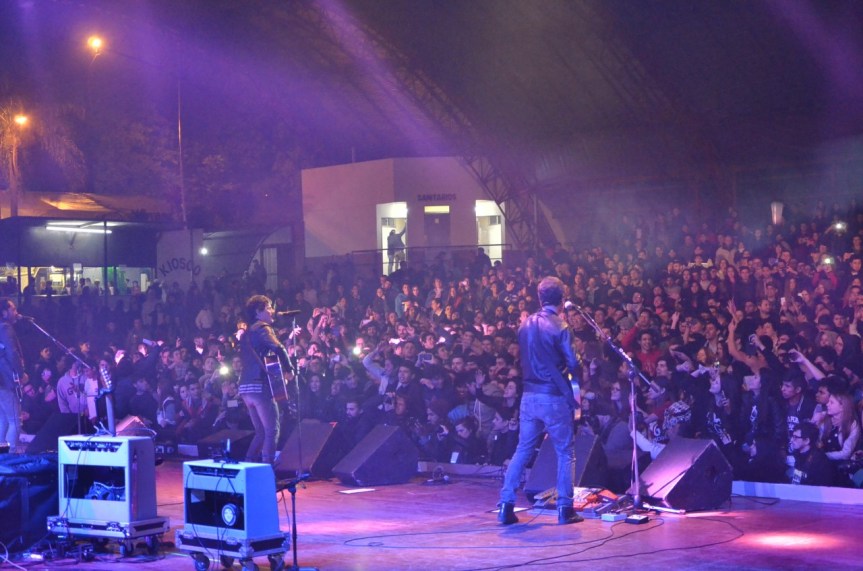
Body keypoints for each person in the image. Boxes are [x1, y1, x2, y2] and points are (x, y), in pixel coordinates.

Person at [498, 276, 582, 525]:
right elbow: (573, 363)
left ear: (539, 298)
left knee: (523, 449)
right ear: (562, 299)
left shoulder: (524, 325)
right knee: (565, 452)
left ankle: (506, 506)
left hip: (528, 396)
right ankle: (565, 509)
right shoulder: (561, 326)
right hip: (553, 396)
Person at [238, 295, 291, 464]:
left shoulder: (247, 332)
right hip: (259, 385)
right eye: (268, 307)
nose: (272, 311)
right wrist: (289, 370)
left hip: (245, 387)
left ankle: (248, 467)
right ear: (258, 311)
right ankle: (267, 471)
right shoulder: (263, 327)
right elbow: (279, 348)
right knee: (271, 430)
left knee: (260, 432)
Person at [0, 298, 26, 452]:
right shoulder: (5, 328)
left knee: (3, 420)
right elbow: (12, 353)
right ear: (4, 312)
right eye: (13, 309)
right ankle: (10, 457)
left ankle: (2, 459)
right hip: (6, 379)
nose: (16, 312)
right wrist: (20, 373)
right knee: (15, 421)